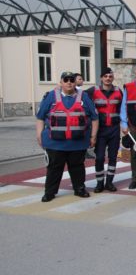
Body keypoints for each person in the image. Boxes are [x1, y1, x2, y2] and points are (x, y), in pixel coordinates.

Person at [36, 71, 99, 202]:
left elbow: (94, 118)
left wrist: (93, 136)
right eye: (66, 80)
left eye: (72, 80)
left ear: (75, 82)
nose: (69, 82)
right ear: (61, 82)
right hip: (55, 143)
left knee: (77, 167)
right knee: (54, 168)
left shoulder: (84, 97)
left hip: (78, 143)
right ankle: (50, 192)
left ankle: (79, 189)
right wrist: (39, 135)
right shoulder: (51, 96)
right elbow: (40, 117)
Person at [85, 67, 122, 192]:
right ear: (101, 78)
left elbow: (123, 109)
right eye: (105, 76)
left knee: (113, 157)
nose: (108, 78)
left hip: (114, 129)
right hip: (100, 130)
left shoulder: (118, 91)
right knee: (99, 157)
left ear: (113, 78)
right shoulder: (92, 91)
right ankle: (99, 183)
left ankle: (109, 182)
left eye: (110, 76)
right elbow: (78, 96)